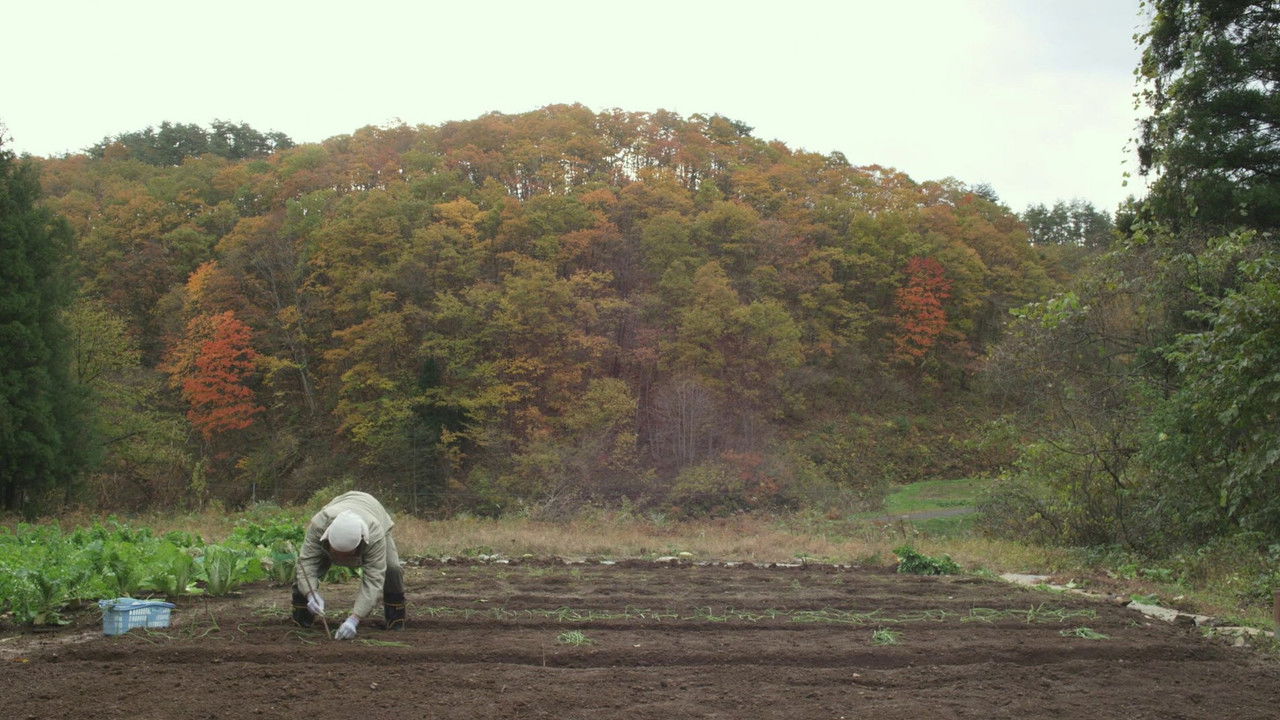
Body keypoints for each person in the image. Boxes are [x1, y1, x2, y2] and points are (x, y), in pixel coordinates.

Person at [291, 491, 406, 639]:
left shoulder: (374, 535)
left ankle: (395, 619)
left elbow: (374, 580)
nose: (341, 559)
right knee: (303, 571)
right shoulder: (319, 525)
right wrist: (310, 594)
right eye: (337, 553)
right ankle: (302, 617)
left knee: (392, 568)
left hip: (372, 510)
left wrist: (354, 619)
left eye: (346, 554)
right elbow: (306, 564)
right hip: (341, 504)